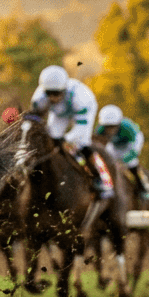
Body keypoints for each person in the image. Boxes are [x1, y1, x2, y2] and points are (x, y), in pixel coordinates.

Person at [30, 65, 113, 199]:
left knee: (81, 143)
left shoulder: (81, 98)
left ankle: (101, 178)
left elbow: (80, 129)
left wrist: (66, 139)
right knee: (52, 137)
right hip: (60, 113)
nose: (52, 98)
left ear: (64, 89)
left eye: (56, 93)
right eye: (48, 93)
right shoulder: (38, 97)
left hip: (83, 111)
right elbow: (35, 120)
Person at [94, 104, 149, 199]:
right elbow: (98, 146)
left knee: (132, 163)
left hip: (131, 142)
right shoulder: (100, 130)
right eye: (107, 127)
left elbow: (134, 152)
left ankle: (144, 186)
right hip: (115, 145)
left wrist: (123, 161)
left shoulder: (128, 128)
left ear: (118, 124)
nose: (110, 130)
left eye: (113, 127)